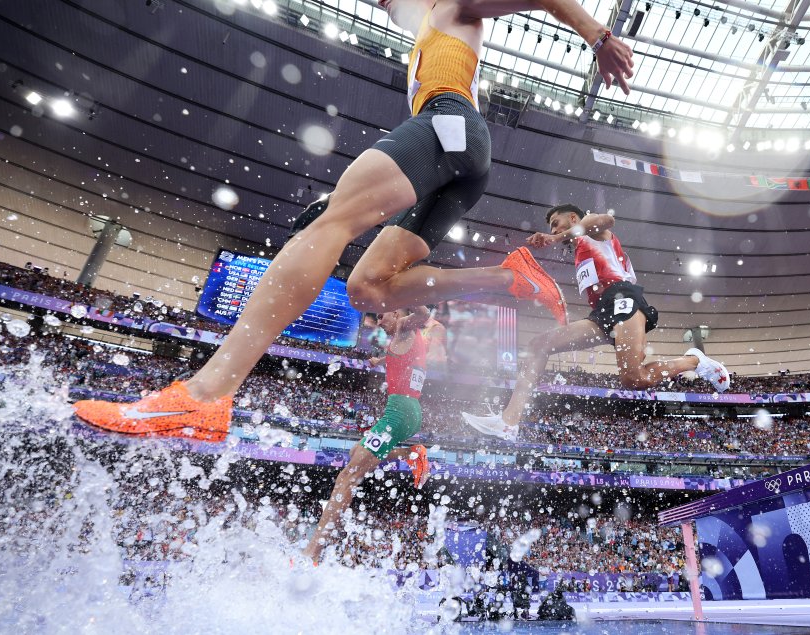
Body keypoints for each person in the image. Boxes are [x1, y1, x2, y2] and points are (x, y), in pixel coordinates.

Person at [73, 0, 634, 440]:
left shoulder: (450, 8)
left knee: (326, 227)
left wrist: (600, 38)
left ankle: (205, 394)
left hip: (451, 124)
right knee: (366, 289)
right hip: (459, 151)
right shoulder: (428, 33)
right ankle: (508, 277)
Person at [463, 203, 730, 440]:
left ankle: (694, 360)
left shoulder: (592, 230)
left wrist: (556, 236)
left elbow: (606, 220)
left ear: (572, 217)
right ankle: (509, 423)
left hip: (624, 298)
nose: (554, 228)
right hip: (602, 312)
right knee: (539, 345)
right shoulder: (579, 246)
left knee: (633, 379)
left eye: (556, 222)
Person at [303, 306, 432, 562]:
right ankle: (411, 454)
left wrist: (405, 293)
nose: (378, 322)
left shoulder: (405, 327)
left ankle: (313, 552)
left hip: (398, 413)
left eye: (382, 316)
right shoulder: (408, 339)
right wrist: (380, 360)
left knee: (348, 476)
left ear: (397, 313)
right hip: (408, 410)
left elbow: (423, 315)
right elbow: (404, 356)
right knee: (355, 453)